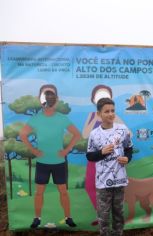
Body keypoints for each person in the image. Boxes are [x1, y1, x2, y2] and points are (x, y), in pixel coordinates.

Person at [19, 84, 81, 228]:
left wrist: (67, 151)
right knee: (39, 193)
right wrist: (33, 151)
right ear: (41, 99)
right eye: (46, 96)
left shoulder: (62, 118)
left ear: (57, 99)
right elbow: (23, 134)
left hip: (59, 162)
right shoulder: (36, 118)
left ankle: (68, 218)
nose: (49, 99)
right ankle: (37, 218)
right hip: (42, 162)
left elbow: (77, 135)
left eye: (52, 96)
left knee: (63, 192)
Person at [86, 97, 133, 236]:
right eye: (106, 111)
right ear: (99, 114)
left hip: (120, 180)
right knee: (103, 215)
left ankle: (118, 233)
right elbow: (89, 156)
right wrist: (101, 152)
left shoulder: (123, 130)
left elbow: (129, 148)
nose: (111, 114)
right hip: (102, 183)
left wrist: (127, 158)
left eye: (113, 111)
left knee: (119, 213)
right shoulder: (94, 134)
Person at [82, 84, 124, 226]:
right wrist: (96, 118)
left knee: (116, 200)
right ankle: (100, 214)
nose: (110, 113)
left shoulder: (115, 118)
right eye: (99, 95)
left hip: (115, 165)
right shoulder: (93, 116)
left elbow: (126, 133)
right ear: (93, 99)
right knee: (91, 186)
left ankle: (112, 223)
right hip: (96, 160)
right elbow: (85, 134)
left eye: (105, 95)